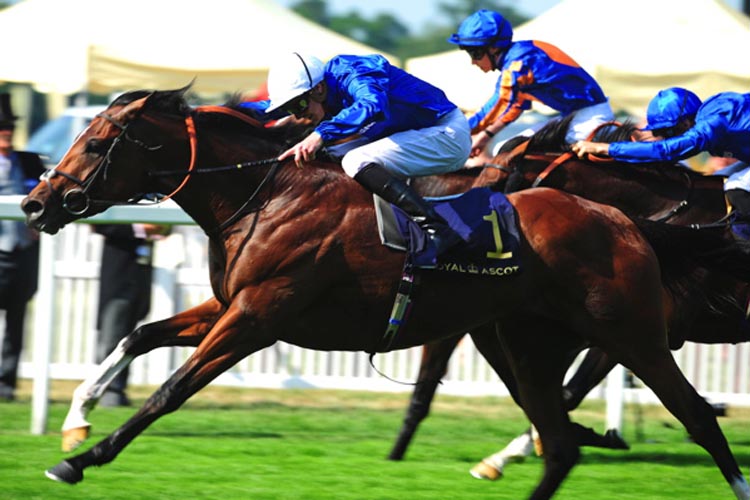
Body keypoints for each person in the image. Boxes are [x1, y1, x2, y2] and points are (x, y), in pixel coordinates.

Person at [265, 52, 472, 257]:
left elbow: (372, 104)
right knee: (327, 155)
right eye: (291, 109)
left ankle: (437, 228)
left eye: (299, 105)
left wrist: (320, 134)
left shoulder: (354, 72)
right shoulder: (320, 91)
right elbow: (261, 109)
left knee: (355, 160)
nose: (299, 116)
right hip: (416, 134)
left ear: (318, 88)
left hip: (447, 134)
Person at [447, 9, 615, 159]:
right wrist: (484, 136)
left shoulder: (519, 64)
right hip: (571, 117)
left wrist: (454, 133)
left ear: (493, 48)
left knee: (513, 156)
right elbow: (515, 106)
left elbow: (496, 107)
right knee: (504, 150)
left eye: (475, 53)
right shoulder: (519, 56)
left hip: (591, 119)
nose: (473, 62)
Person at [571, 88, 750, 224]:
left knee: (736, 188)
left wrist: (606, 148)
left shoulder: (714, 121)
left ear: (686, 121)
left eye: (668, 130)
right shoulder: (708, 117)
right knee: (717, 182)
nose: (667, 137)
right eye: (661, 132)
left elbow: (667, 151)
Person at [0, 93, 45, 401]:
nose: (7, 132)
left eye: (9, 126)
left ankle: (6, 384)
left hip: (23, 253)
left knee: (17, 321)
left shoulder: (30, 161)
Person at [94, 223, 169, 407]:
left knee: (129, 340)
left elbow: (165, 228)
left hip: (140, 277)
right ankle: (107, 392)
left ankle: (118, 391)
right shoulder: (113, 200)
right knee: (111, 338)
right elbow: (101, 224)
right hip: (118, 278)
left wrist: (159, 229)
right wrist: (141, 229)